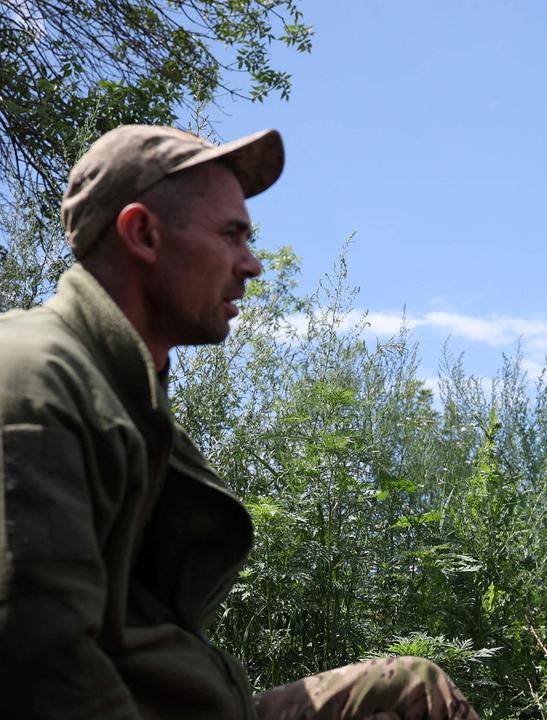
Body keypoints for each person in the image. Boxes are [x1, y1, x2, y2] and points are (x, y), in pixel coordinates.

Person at [0, 125, 478, 719]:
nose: (251, 264)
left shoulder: (126, 391)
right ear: (142, 233)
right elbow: (39, 670)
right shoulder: (32, 385)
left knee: (413, 692)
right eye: (231, 235)